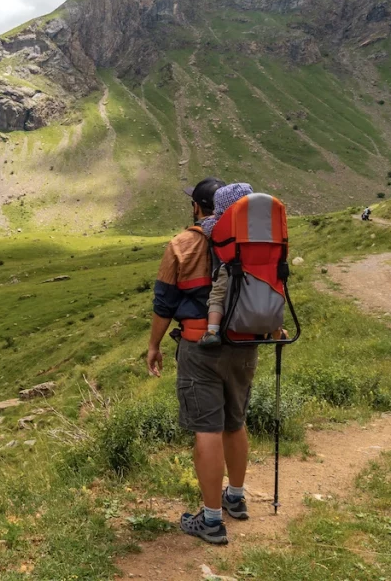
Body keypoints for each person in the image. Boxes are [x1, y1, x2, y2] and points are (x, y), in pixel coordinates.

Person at [147, 177, 258, 545]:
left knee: (207, 428)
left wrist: (154, 345)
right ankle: (236, 499)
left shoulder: (182, 244)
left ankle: (210, 521)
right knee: (235, 421)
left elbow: (164, 304)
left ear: (197, 207)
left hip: (199, 346)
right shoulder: (249, 243)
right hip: (244, 344)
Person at [198, 183, 255, 349]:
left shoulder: (220, 225)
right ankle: (277, 330)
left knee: (217, 294)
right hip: (259, 267)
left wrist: (213, 218)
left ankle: (213, 331)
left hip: (231, 268)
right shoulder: (259, 223)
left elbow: (207, 229)